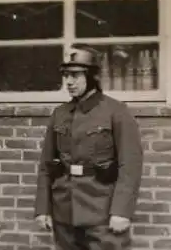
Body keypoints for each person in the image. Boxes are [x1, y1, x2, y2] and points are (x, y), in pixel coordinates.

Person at [33, 43, 144, 250]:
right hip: (64, 211)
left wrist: (121, 211)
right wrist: (43, 208)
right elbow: (46, 165)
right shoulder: (60, 114)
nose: (69, 81)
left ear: (92, 76)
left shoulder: (115, 112)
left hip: (101, 211)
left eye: (75, 75)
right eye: (65, 75)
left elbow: (130, 165)